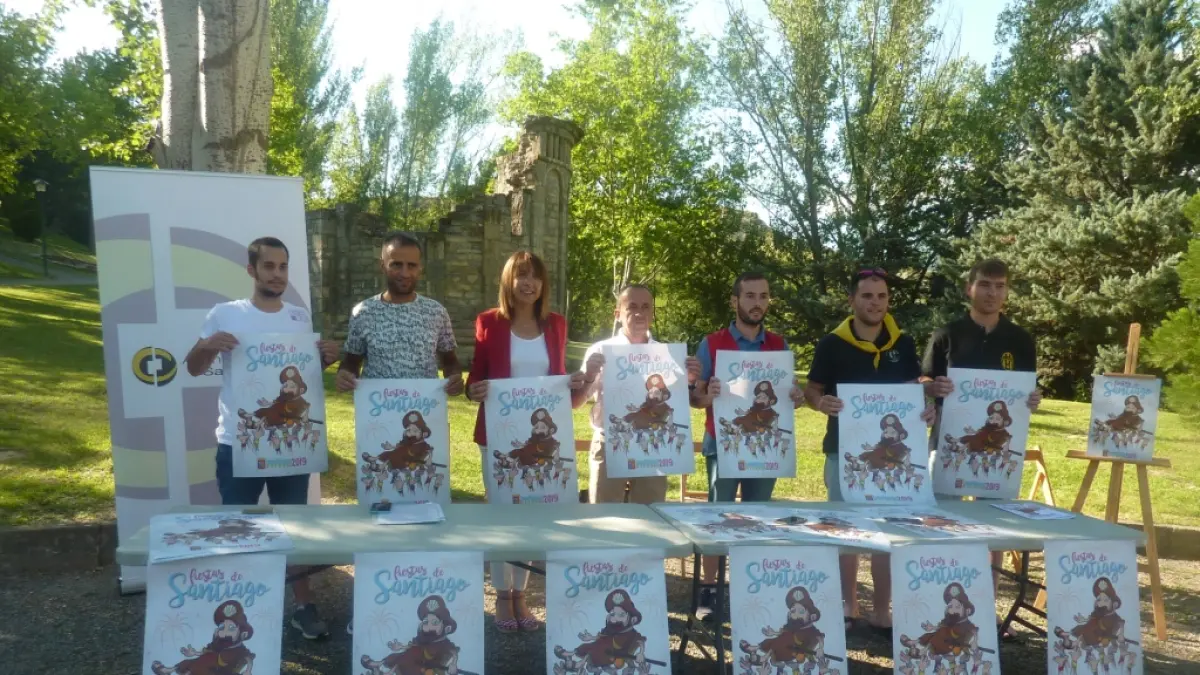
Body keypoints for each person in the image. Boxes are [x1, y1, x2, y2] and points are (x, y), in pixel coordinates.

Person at [184, 236, 340, 640]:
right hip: (238, 443)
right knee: (238, 528)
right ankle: (236, 609)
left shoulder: (298, 318)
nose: (277, 274)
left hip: (291, 445)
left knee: (294, 527)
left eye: (283, 267)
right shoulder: (224, 313)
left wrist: (323, 358)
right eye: (269, 266)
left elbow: (302, 380)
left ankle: (303, 606)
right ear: (252, 270)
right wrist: (207, 345)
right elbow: (194, 368)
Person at [803, 268, 933, 635]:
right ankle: (848, 605)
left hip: (893, 459)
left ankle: (881, 610)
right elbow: (812, 389)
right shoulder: (831, 343)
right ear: (852, 300)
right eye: (867, 296)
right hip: (843, 453)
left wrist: (925, 407)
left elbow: (913, 388)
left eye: (881, 296)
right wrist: (820, 402)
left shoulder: (903, 343)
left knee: (886, 532)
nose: (875, 303)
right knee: (846, 531)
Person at [465, 250, 587, 633]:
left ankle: (521, 595)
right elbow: (475, 379)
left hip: (543, 439)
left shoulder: (556, 324)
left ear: (543, 283)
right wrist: (474, 390)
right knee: (503, 513)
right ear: (509, 281)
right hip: (499, 438)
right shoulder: (488, 322)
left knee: (535, 512)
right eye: (521, 275)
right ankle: (503, 595)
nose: (528, 283)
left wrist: (573, 382)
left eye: (535, 275)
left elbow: (558, 378)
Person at [921, 258, 1041, 634]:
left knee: (994, 528)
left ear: (1007, 291)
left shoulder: (1020, 340)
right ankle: (938, 603)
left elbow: (1027, 389)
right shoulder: (947, 334)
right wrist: (931, 386)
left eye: (1000, 286)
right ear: (969, 288)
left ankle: (985, 610)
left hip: (998, 455)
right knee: (944, 524)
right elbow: (922, 379)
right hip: (950, 446)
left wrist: (1033, 398)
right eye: (985, 284)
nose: (993, 293)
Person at [691, 271, 804, 619]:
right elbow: (695, 399)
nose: (757, 303)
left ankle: (750, 590)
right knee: (717, 518)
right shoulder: (712, 343)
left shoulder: (779, 346)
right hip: (723, 444)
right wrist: (706, 394)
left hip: (766, 450)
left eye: (763, 296)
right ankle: (709, 590)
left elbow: (788, 396)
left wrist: (796, 397)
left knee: (758, 517)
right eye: (750, 296)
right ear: (735, 301)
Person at [577, 284, 701, 504]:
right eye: (632, 306)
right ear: (617, 314)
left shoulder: (667, 355)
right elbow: (578, 401)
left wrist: (689, 380)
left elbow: (676, 399)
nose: (639, 313)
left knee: (649, 511)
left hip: (653, 444)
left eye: (645, 307)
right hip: (610, 443)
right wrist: (589, 375)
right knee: (604, 513)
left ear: (652, 313)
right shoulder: (600, 351)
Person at [336, 231, 464, 396]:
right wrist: (345, 374)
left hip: (424, 407)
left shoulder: (436, 312)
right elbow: (351, 362)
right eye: (396, 265)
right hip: (377, 408)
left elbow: (450, 361)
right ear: (382, 266)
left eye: (411, 265)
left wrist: (454, 378)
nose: (405, 273)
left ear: (420, 268)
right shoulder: (363, 312)